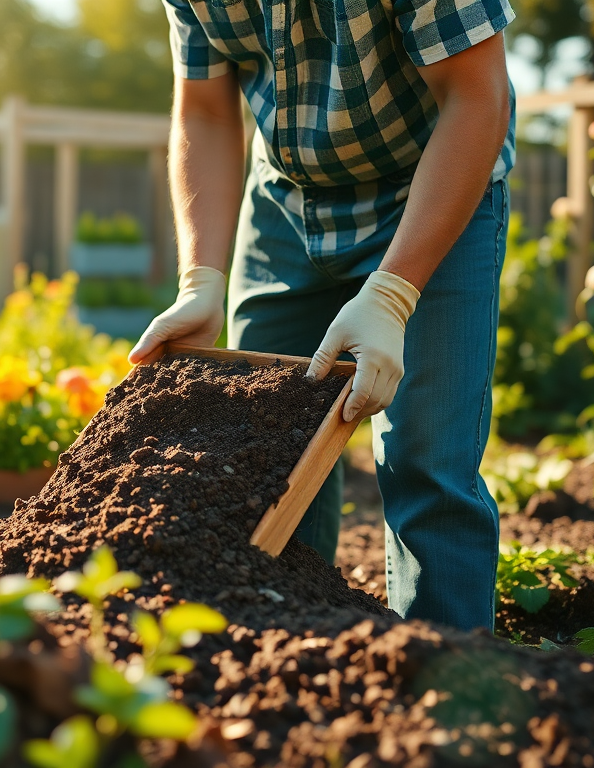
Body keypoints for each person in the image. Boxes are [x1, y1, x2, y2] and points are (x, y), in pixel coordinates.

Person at [129, 0, 516, 632]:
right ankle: (291, 651)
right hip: (285, 203)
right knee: (263, 459)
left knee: (426, 461)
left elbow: (477, 98)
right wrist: (201, 280)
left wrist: (392, 295)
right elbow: (203, 107)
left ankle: (448, 683)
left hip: (429, 189)